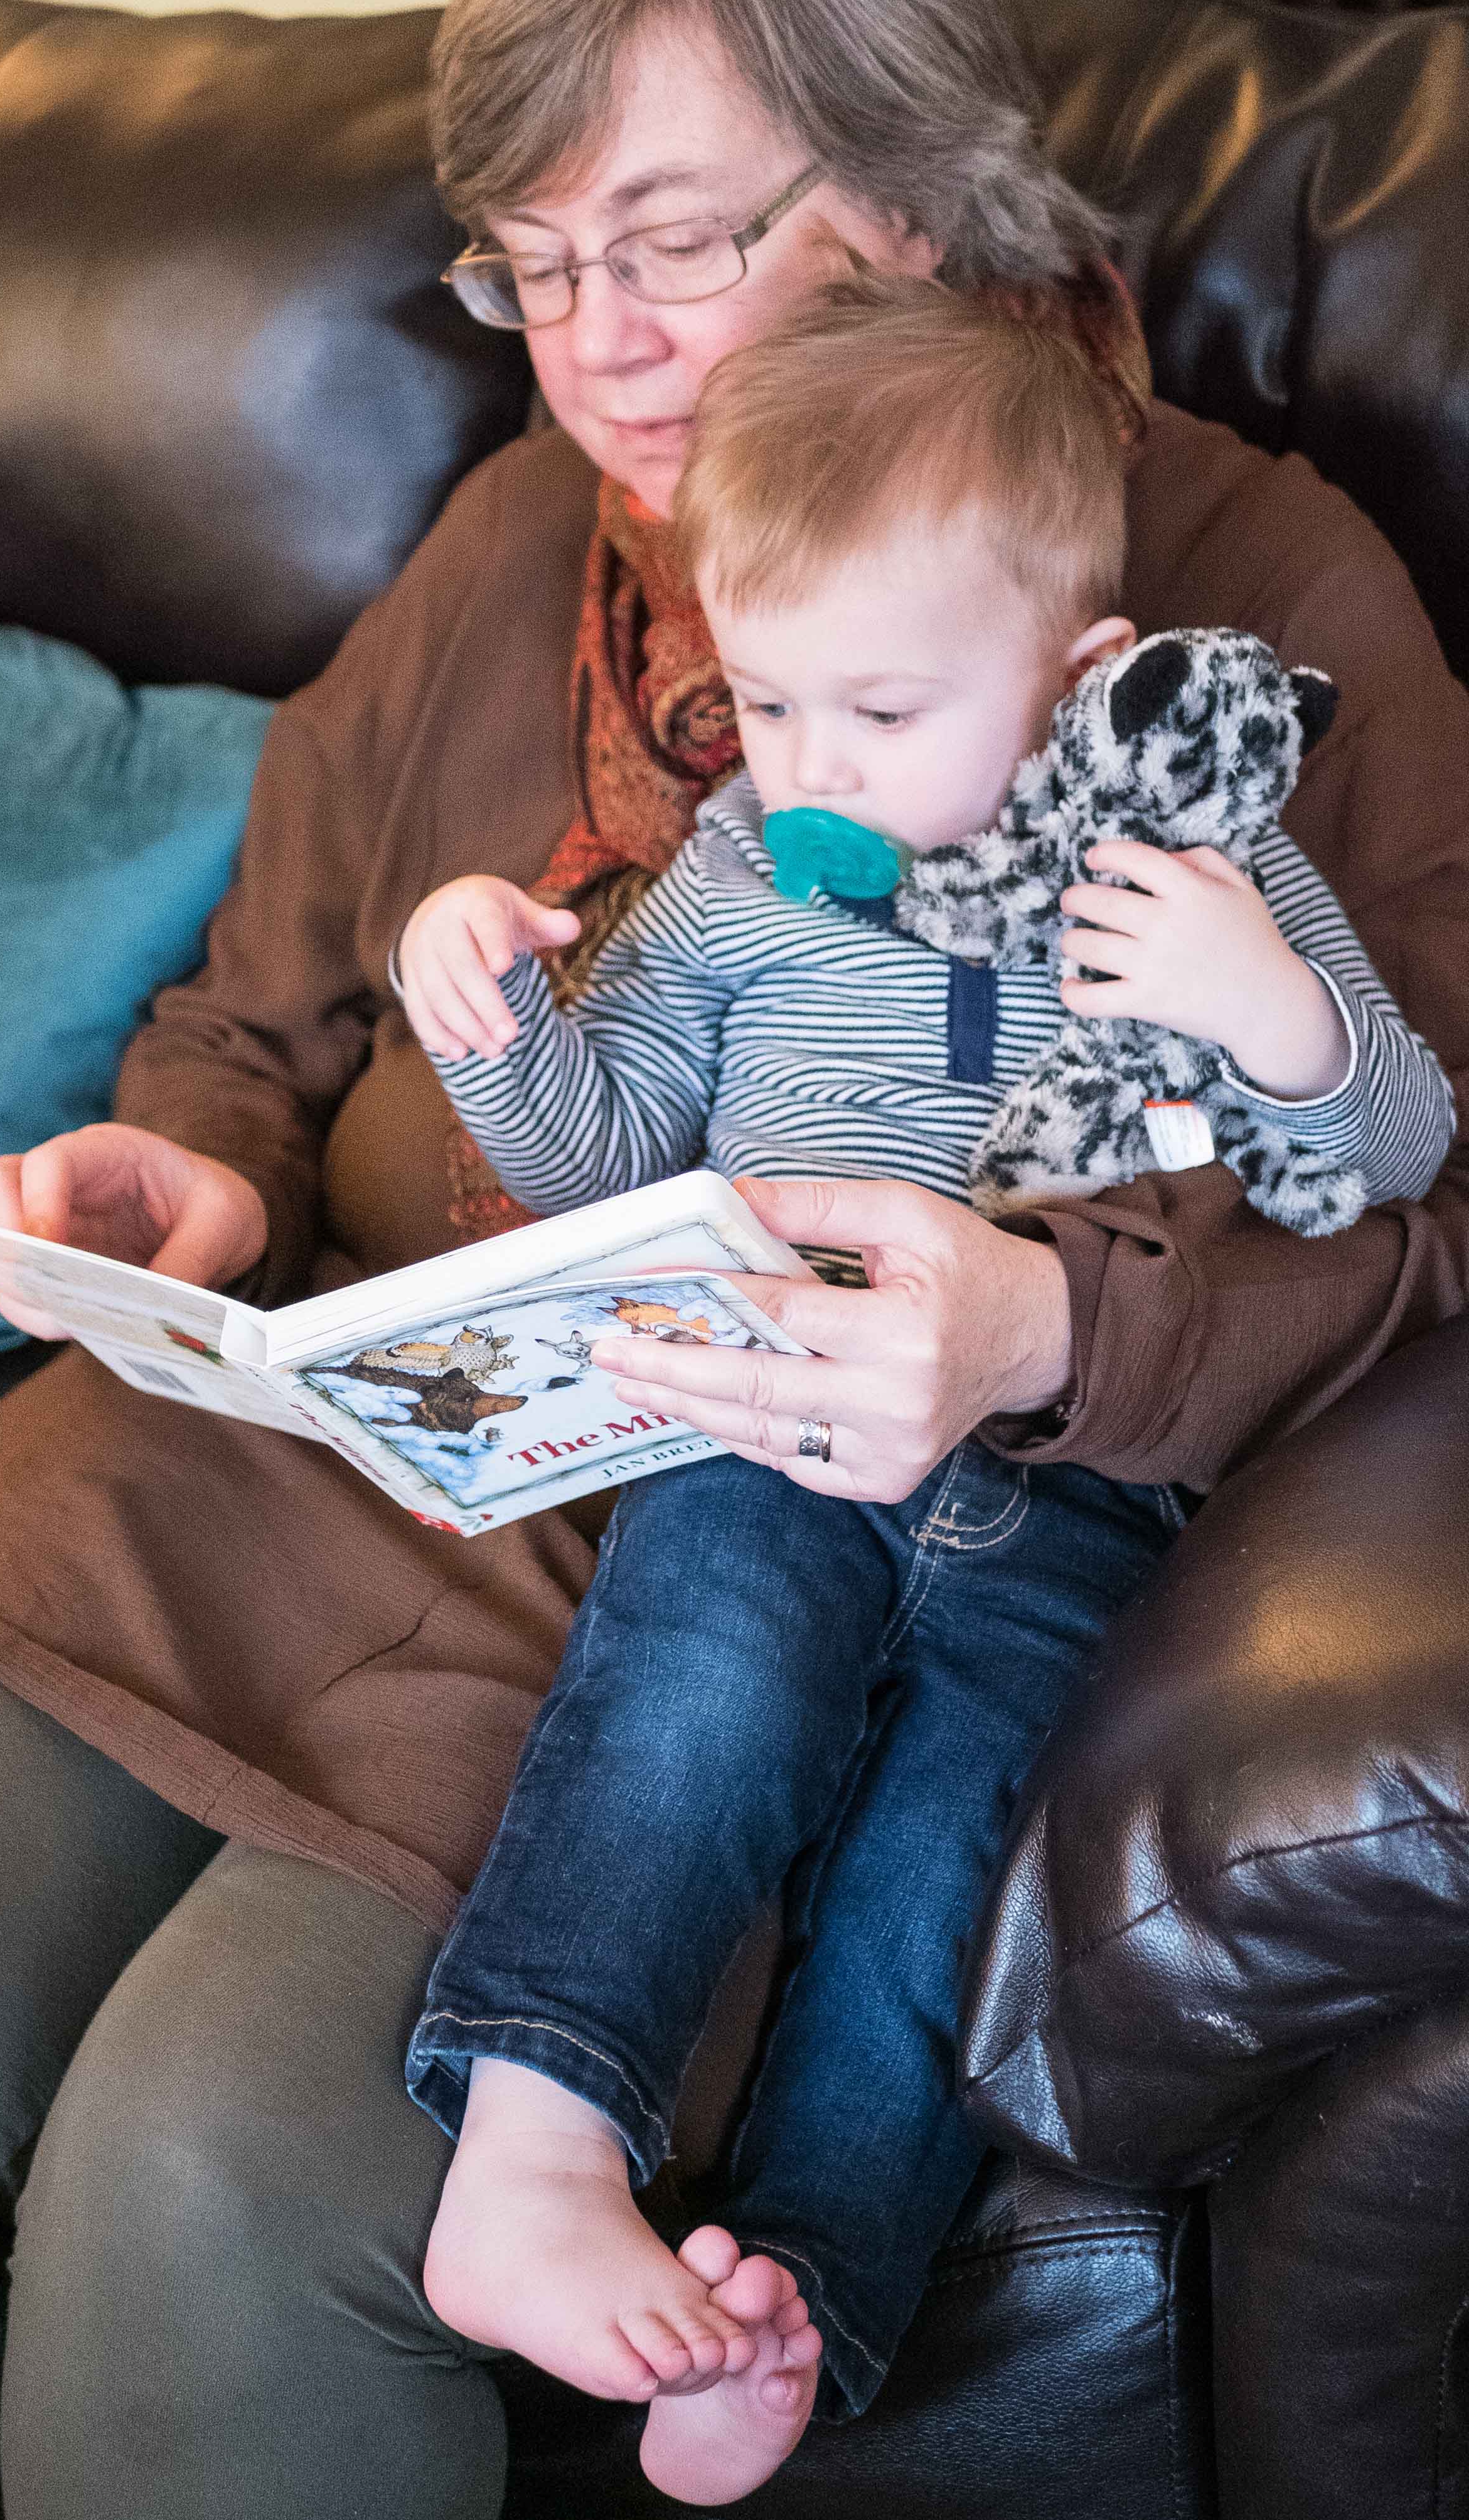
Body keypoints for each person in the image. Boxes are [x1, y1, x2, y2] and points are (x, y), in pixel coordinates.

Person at [0, 0, 1469, 2520]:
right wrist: (187, 1182)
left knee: (219, 2184)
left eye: (674, 242)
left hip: (731, 1545)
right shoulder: (506, 550)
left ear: (925, 193)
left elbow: (1413, 1184)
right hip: (303, 1434)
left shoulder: (1230, 601)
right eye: (532, 261)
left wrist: (1049, 1329)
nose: (593, 345)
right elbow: (251, 1014)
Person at [392, 273, 1455, 2504]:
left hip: (1076, 1504)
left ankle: (786, 2301)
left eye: (879, 709)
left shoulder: (1194, 874)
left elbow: (1386, 1162)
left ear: (1069, 677)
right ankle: (536, 2138)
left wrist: (1266, 1001)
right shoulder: (740, 881)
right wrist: (498, 1022)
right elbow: (606, 1152)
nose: (814, 771)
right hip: (769, 1412)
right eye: (768, 702)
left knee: (937, 1866)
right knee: (688, 1684)